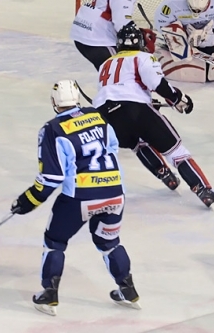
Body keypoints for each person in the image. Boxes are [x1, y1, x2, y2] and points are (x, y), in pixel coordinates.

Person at [9, 80, 140, 315]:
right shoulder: (98, 116)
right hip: (114, 194)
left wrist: (26, 201)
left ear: (53, 102)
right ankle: (128, 290)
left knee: (55, 241)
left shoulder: (53, 129)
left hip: (79, 197)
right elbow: (113, 146)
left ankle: (49, 294)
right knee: (109, 242)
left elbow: (51, 178)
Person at [94, 23, 214, 209]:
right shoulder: (142, 57)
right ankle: (205, 192)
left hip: (105, 116)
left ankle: (165, 174)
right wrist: (178, 99)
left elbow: (117, 91)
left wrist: (147, 101)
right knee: (177, 152)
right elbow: (158, 84)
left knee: (137, 143)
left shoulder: (106, 64)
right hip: (136, 109)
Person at [153, 0, 214, 82]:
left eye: (200, 10)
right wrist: (178, 38)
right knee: (180, 55)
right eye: (194, 9)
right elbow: (162, 21)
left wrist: (209, 33)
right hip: (184, 29)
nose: (197, 12)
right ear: (187, 0)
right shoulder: (173, 2)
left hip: (207, 28)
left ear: (208, 1)